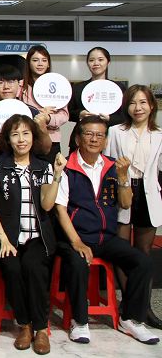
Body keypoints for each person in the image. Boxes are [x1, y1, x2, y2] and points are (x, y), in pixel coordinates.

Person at [55, 116, 158, 345]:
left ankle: (130, 319)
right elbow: (60, 209)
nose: (94, 139)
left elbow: (126, 203)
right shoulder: (67, 166)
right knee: (78, 262)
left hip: (106, 237)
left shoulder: (114, 166)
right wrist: (77, 242)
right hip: (75, 237)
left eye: (99, 135)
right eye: (89, 134)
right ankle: (79, 321)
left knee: (143, 263)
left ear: (105, 140)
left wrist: (123, 178)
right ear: (78, 139)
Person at [0, 115, 63, 354]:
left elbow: (47, 205)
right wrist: (3, 239)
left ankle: (40, 328)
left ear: (33, 137)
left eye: (26, 134)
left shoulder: (43, 166)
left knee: (33, 266)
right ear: (7, 139)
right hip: (6, 237)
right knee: (13, 268)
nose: (21, 139)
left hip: (38, 237)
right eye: (15, 134)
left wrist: (57, 175)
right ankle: (25, 325)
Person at [105, 85, 162, 328]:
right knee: (121, 251)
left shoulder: (159, 135)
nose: (137, 108)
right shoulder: (116, 131)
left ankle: (144, 307)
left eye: (142, 102)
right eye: (132, 103)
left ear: (152, 106)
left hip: (149, 195)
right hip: (123, 191)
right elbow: (108, 163)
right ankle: (129, 304)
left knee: (144, 253)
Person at [0, 65, 52, 168]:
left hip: (28, 169)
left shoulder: (32, 112)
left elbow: (45, 150)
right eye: (0, 82)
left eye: (11, 82)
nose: (6, 87)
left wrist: (43, 128)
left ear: (19, 84)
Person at [67, 46, 127, 152]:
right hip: (83, 138)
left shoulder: (119, 88)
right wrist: (80, 114)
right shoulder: (78, 88)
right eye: (91, 60)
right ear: (87, 63)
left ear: (108, 62)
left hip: (111, 138)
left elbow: (125, 116)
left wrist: (109, 119)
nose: (96, 63)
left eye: (100, 59)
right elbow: (68, 113)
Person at [20, 45, 69, 161]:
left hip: (52, 139)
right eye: (35, 60)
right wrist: (37, 113)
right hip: (26, 139)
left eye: (44, 60)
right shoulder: (21, 86)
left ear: (48, 64)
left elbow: (64, 115)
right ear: (29, 63)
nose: (40, 64)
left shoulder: (59, 85)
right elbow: (18, 112)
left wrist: (48, 118)